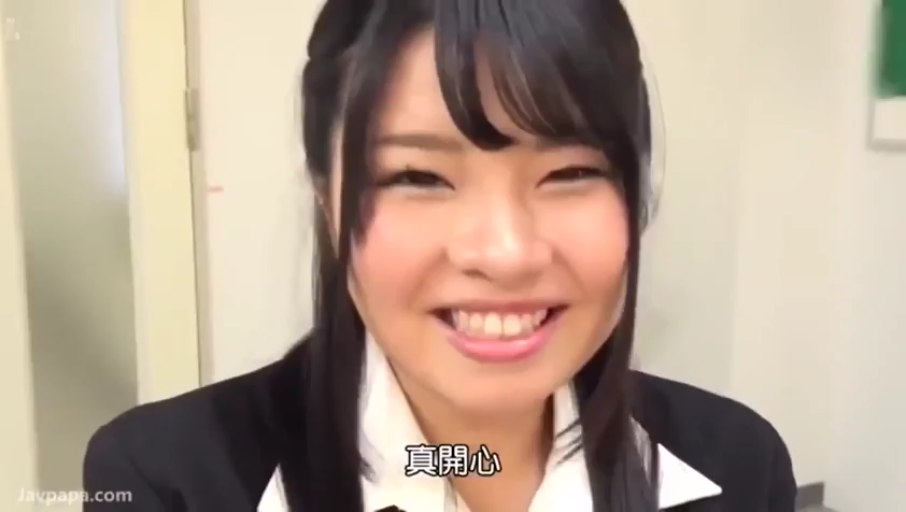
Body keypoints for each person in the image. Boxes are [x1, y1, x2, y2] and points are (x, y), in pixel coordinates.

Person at [83, 0, 796, 510]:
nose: (506, 253)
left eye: (571, 172)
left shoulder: (738, 467)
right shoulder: (169, 482)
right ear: (328, 203)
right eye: (419, 177)